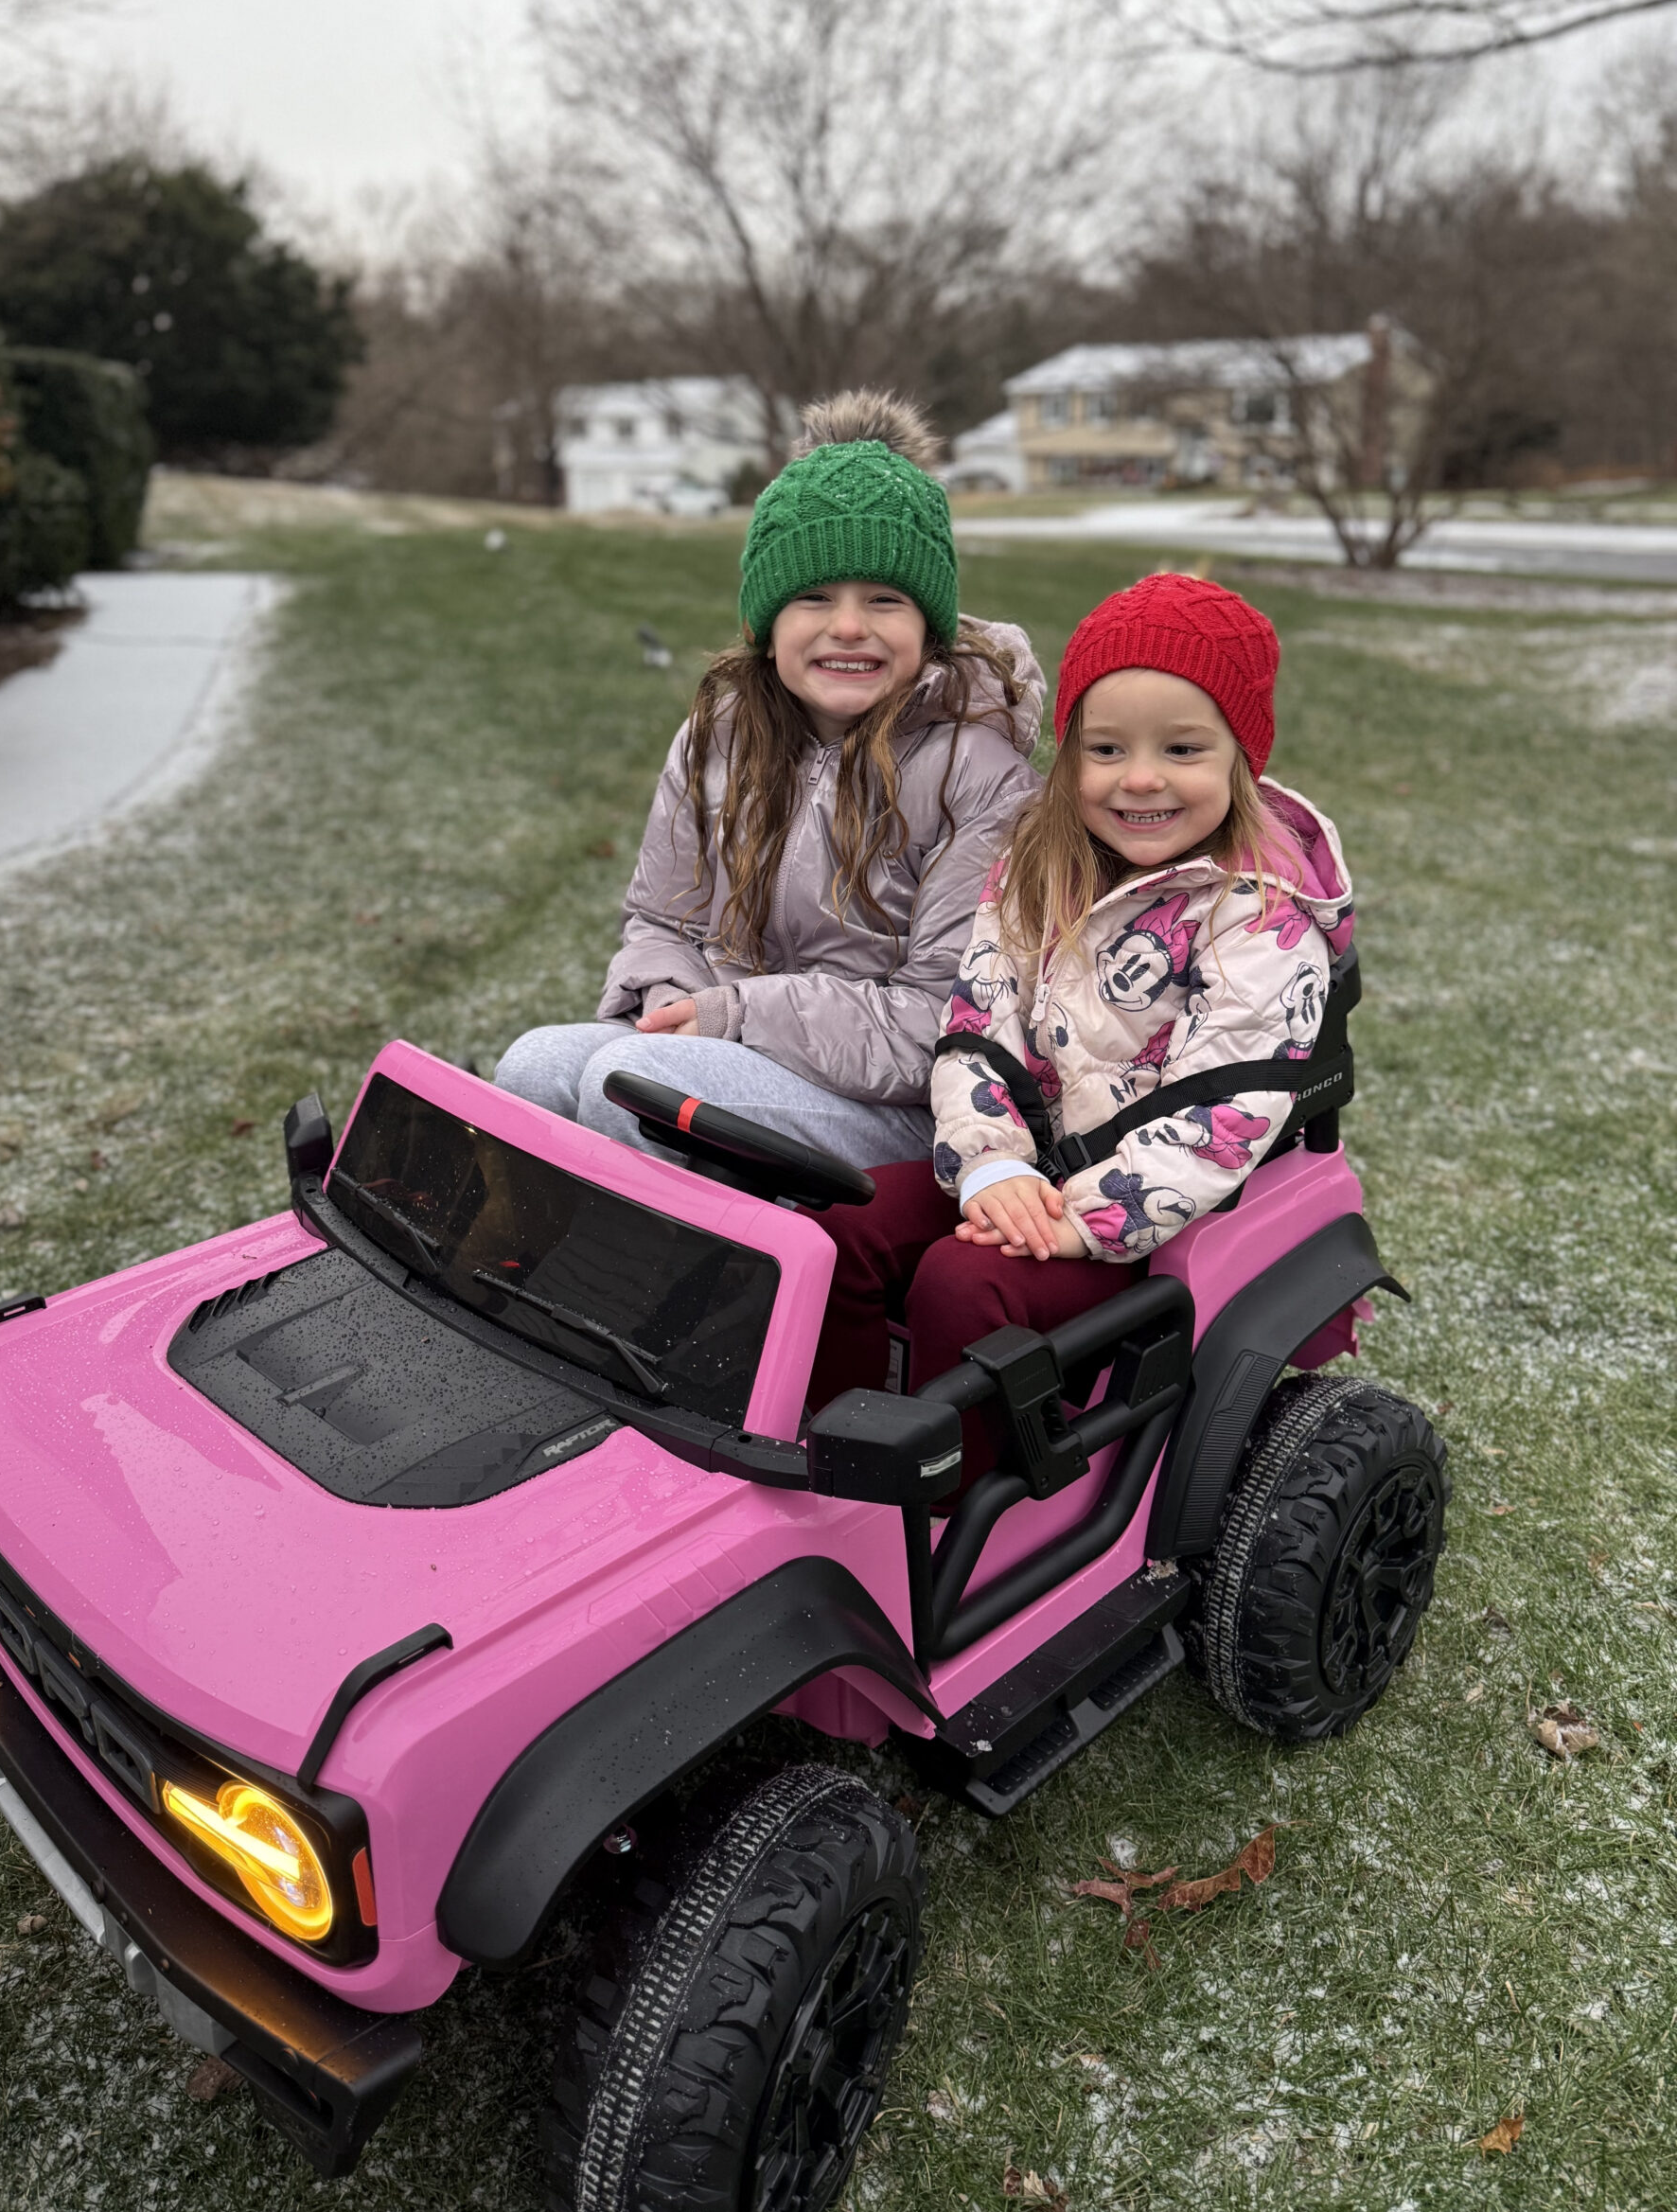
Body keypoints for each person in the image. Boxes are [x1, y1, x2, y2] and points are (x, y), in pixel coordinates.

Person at [806, 572, 1354, 1451]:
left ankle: (963, 1515)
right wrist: (991, 1166)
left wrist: (1077, 1219)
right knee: (845, 1228)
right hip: (1029, 1168)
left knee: (962, 1282)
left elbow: (1225, 1107)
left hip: (1156, 1212)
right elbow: (978, 1025)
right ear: (1070, 754)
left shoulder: (1257, 915)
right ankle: (831, 1451)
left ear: (1239, 757)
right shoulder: (1040, 865)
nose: (1139, 779)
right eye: (1105, 750)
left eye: (1182, 751)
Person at [495, 393, 1045, 1166]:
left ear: (929, 628)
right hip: (725, 1041)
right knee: (535, 1067)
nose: (848, 627)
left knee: (639, 1086)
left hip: (898, 1100)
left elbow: (944, 1017)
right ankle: (547, 1271)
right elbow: (663, 922)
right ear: (767, 622)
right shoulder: (718, 739)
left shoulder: (979, 776)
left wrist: (735, 1014)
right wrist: (670, 1002)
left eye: (884, 600)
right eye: (813, 598)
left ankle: (687, 1282)